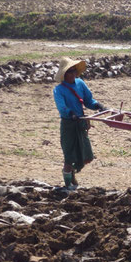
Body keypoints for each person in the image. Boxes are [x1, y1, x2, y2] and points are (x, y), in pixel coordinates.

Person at [53, 57, 107, 190]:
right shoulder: (59, 90)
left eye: (74, 71)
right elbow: (62, 107)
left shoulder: (80, 84)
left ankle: (72, 173)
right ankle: (67, 185)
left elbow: (89, 101)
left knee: (87, 156)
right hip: (69, 125)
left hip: (81, 123)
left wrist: (99, 106)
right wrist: (71, 114)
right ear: (64, 74)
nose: (73, 74)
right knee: (68, 157)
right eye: (69, 71)